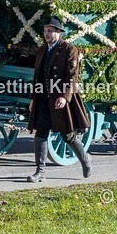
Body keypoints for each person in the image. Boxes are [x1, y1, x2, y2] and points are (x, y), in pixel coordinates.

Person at [26, 18, 92, 182]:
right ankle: (40, 172)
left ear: (58, 32)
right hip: (42, 99)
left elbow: (72, 77)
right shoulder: (42, 50)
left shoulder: (69, 49)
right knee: (40, 134)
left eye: (50, 31)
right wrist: (33, 98)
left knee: (68, 136)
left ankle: (85, 160)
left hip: (59, 99)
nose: (46, 34)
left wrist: (64, 97)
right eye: (45, 30)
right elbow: (37, 76)